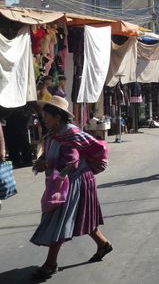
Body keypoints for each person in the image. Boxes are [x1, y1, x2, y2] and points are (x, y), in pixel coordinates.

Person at [30, 96, 111, 279]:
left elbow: (71, 163)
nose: (45, 119)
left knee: (59, 221)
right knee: (80, 216)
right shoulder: (54, 134)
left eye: (47, 116)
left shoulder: (69, 134)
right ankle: (104, 244)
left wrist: (48, 164)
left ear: (58, 117)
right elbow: (53, 155)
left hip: (76, 182)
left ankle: (50, 264)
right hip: (66, 182)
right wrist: (43, 160)